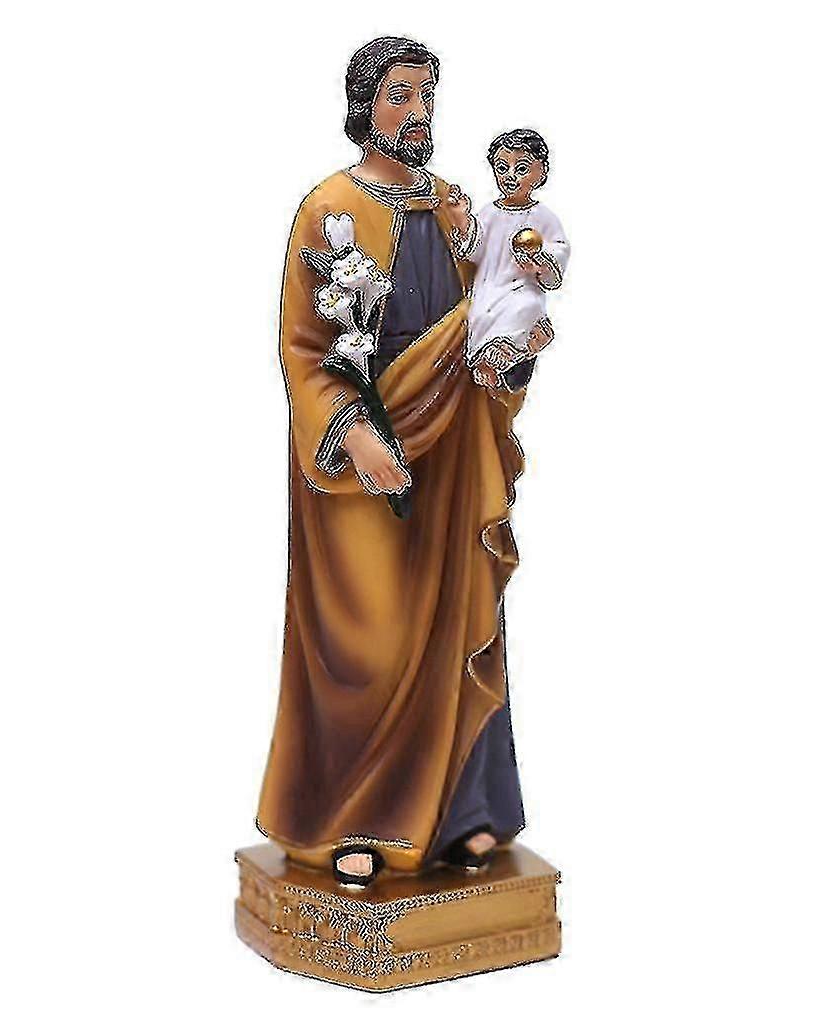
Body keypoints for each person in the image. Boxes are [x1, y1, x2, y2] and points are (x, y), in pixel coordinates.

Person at [256, 37, 529, 886]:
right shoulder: (329, 209)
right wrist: (350, 430)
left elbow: (490, 311)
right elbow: (305, 348)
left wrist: (511, 351)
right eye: (400, 95)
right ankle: (351, 817)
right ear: (364, 104)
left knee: (457, 615)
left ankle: (462, 814)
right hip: (365, 452)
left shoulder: (451, 207)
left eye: (426, 96)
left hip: (452, 443)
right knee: (365, 638)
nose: (418, 113)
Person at [451, 129, 570, 389]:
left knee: (525, 308)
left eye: (522, 168)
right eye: (502, 168)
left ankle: (507, 356)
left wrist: (539, 262)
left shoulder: (543, 217)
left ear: (541, 173)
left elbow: (559, 250)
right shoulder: (489, 213)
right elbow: (474, 250)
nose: (510, 176)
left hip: (522, 288)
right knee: (479, 314)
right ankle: (485, 361)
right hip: (490, 285)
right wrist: (462, 220)